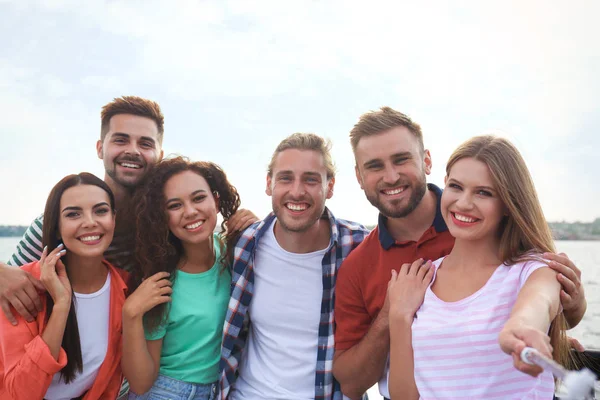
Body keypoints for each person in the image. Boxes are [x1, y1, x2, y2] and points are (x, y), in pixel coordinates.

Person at [333, 107, 587, 400]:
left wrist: (543, 322)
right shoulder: (369, 269)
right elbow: (356, 386)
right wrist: (395, 314)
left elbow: (538, 302)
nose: (391, 176)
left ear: (426, 161)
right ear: (359, 176)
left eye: (401, 159)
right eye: (375, 165)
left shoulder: (527, 262)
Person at [0, 96, 256, 326]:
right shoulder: (59, 225)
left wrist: (250, 229)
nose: (132, 150)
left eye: (145, 143)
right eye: (121, 140)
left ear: (159, 155)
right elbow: (13, 286)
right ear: (100, 148)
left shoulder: (167, 227)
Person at [388, 135, 569, 399]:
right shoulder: (420, 279)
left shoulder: (534, 270)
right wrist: (399, 317)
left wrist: (523, 327)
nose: (463, 203)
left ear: (508, 204)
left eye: (483, 192)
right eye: (455, 186)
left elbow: (539, 301)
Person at [220, 133, 369, 400]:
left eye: (311, 179)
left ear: (330, 187)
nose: (297, 191)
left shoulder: (359, 247)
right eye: (286, 178)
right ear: (269, 184)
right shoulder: (245, 244)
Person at [0, 173, 130, 399]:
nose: (90, 222)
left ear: (114, 219)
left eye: (101, 211)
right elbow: (19, 394)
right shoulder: (20, 287)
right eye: (73, 214)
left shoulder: (126, 287)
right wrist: (61, 306)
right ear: (56, 226)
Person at [122, 157, 241, 400]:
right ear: (162, 217)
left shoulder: (231, 251)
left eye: (198, 198)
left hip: (221, 388)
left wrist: (249, 221)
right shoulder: (161, 280)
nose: (190, 211)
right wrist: (131, 315)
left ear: (216, 202)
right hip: (167, 392)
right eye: (174, 205)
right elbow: (141, 383)